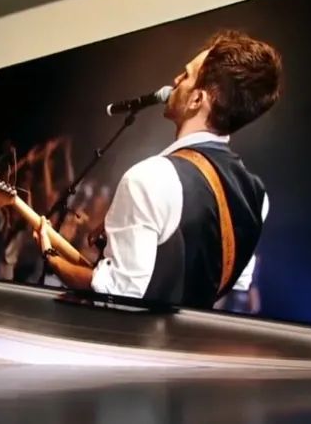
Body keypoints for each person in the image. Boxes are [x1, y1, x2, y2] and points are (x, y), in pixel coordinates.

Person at [36, 29, 281, 309]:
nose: (175, 80)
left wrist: (51, 256)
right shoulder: (257, 196)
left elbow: (116, 292)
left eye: (186, 75)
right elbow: (235, 284)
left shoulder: (150, 177)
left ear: (196, 100)